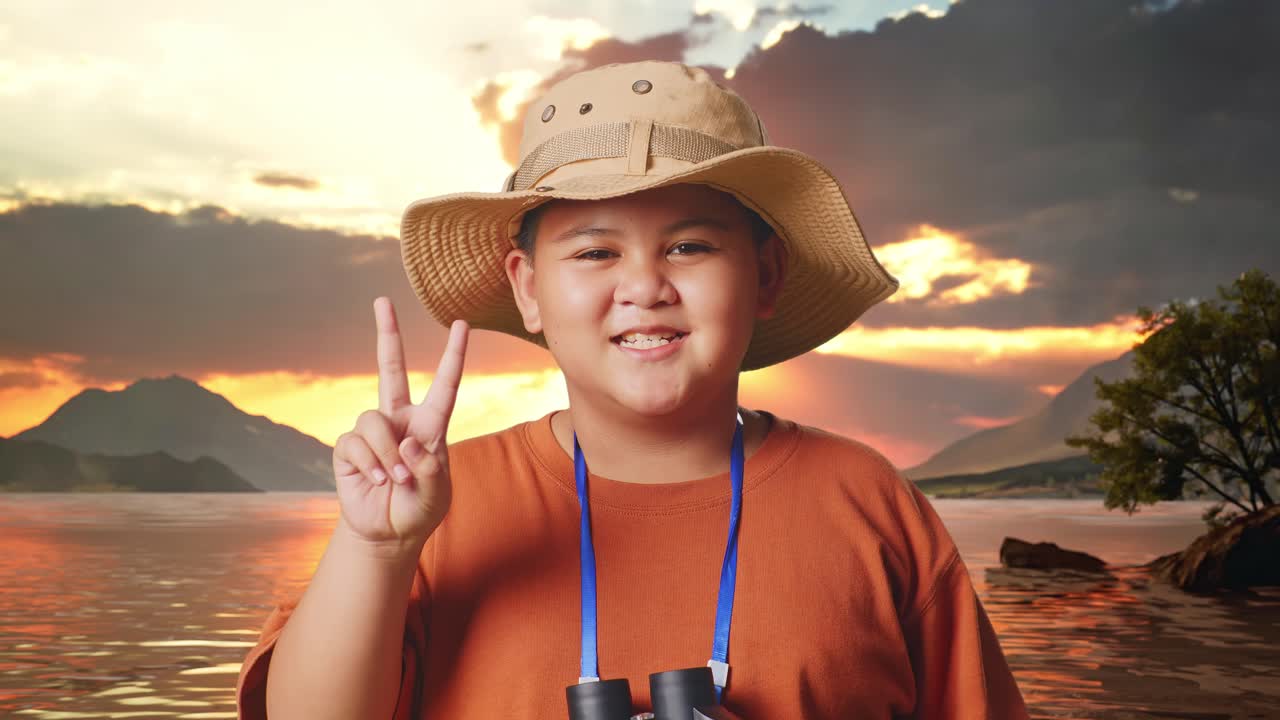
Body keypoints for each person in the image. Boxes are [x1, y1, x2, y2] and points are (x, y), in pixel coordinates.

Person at [235, 60, 1029, 719]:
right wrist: (377, 548)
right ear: (527, 288)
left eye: (689, 246)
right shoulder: (435, 506)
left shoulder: (866, 503)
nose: (644, 286)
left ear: (767, 275)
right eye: (593, 253)